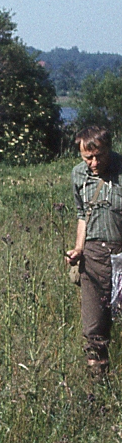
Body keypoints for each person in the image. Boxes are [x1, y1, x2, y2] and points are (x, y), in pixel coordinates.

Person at [65, 126, 122, 379]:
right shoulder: (78, 175)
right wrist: (78, 249)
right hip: (93, 257)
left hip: (120, 254)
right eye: (88, 157)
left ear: (108, 148)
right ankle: (99, 382)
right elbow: (81, 215)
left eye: (99, 156)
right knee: (94, 325)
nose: (94, 162)